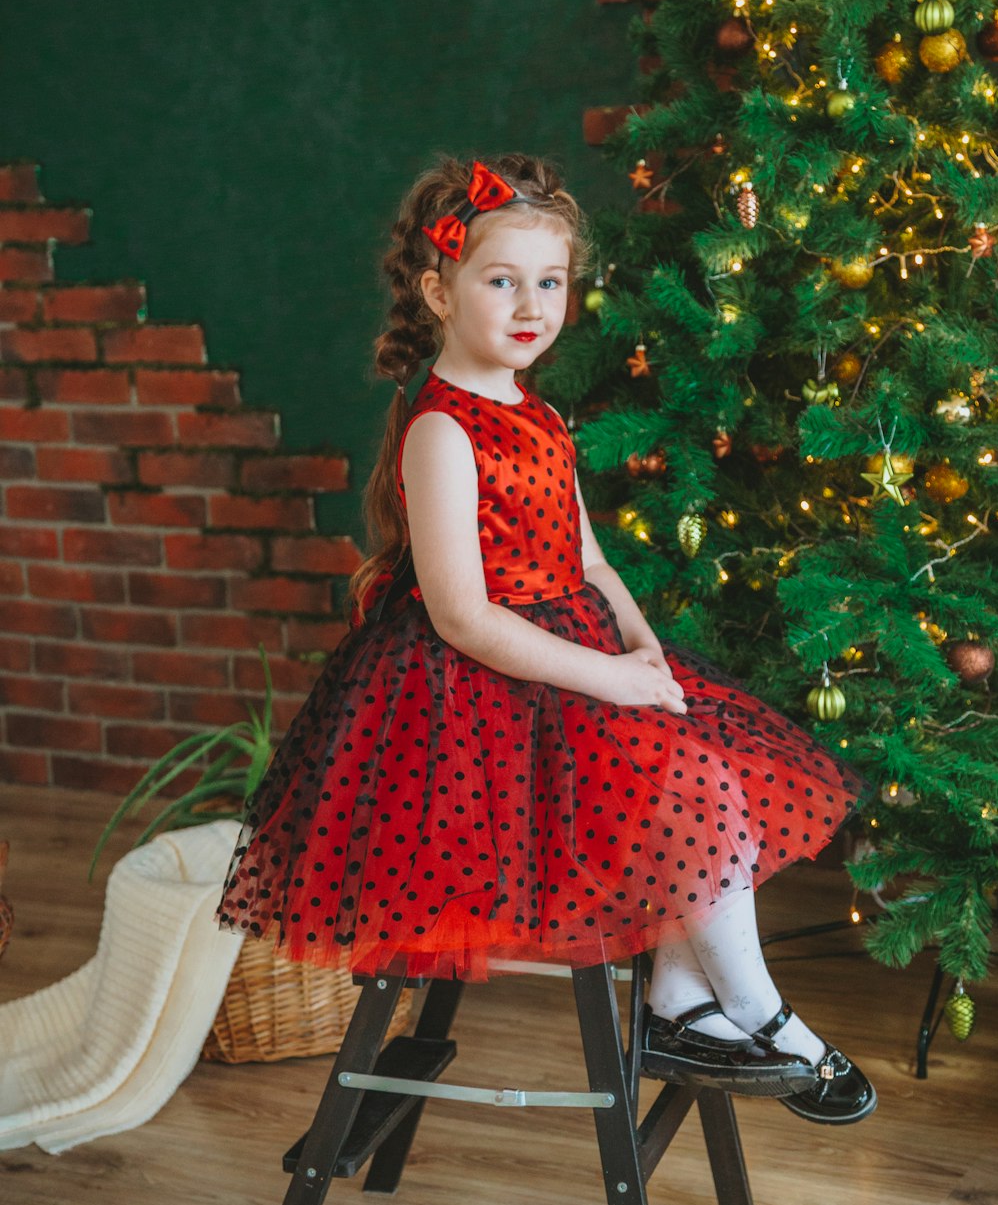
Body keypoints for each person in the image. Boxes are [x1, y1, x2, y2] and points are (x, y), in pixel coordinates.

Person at [217, 154, 876, 1125]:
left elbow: (594, 565)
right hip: (473, 698)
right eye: (501, 280)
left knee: (709, 768)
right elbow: (463, 619)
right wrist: (612, 681)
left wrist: (645, 655)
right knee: (683, 786)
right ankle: (755, 1011)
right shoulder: (441, 432)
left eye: (551, 282)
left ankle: (681, 1002)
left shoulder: (544, 417)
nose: (531, 305)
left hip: (571, 660)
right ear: (438, 291)